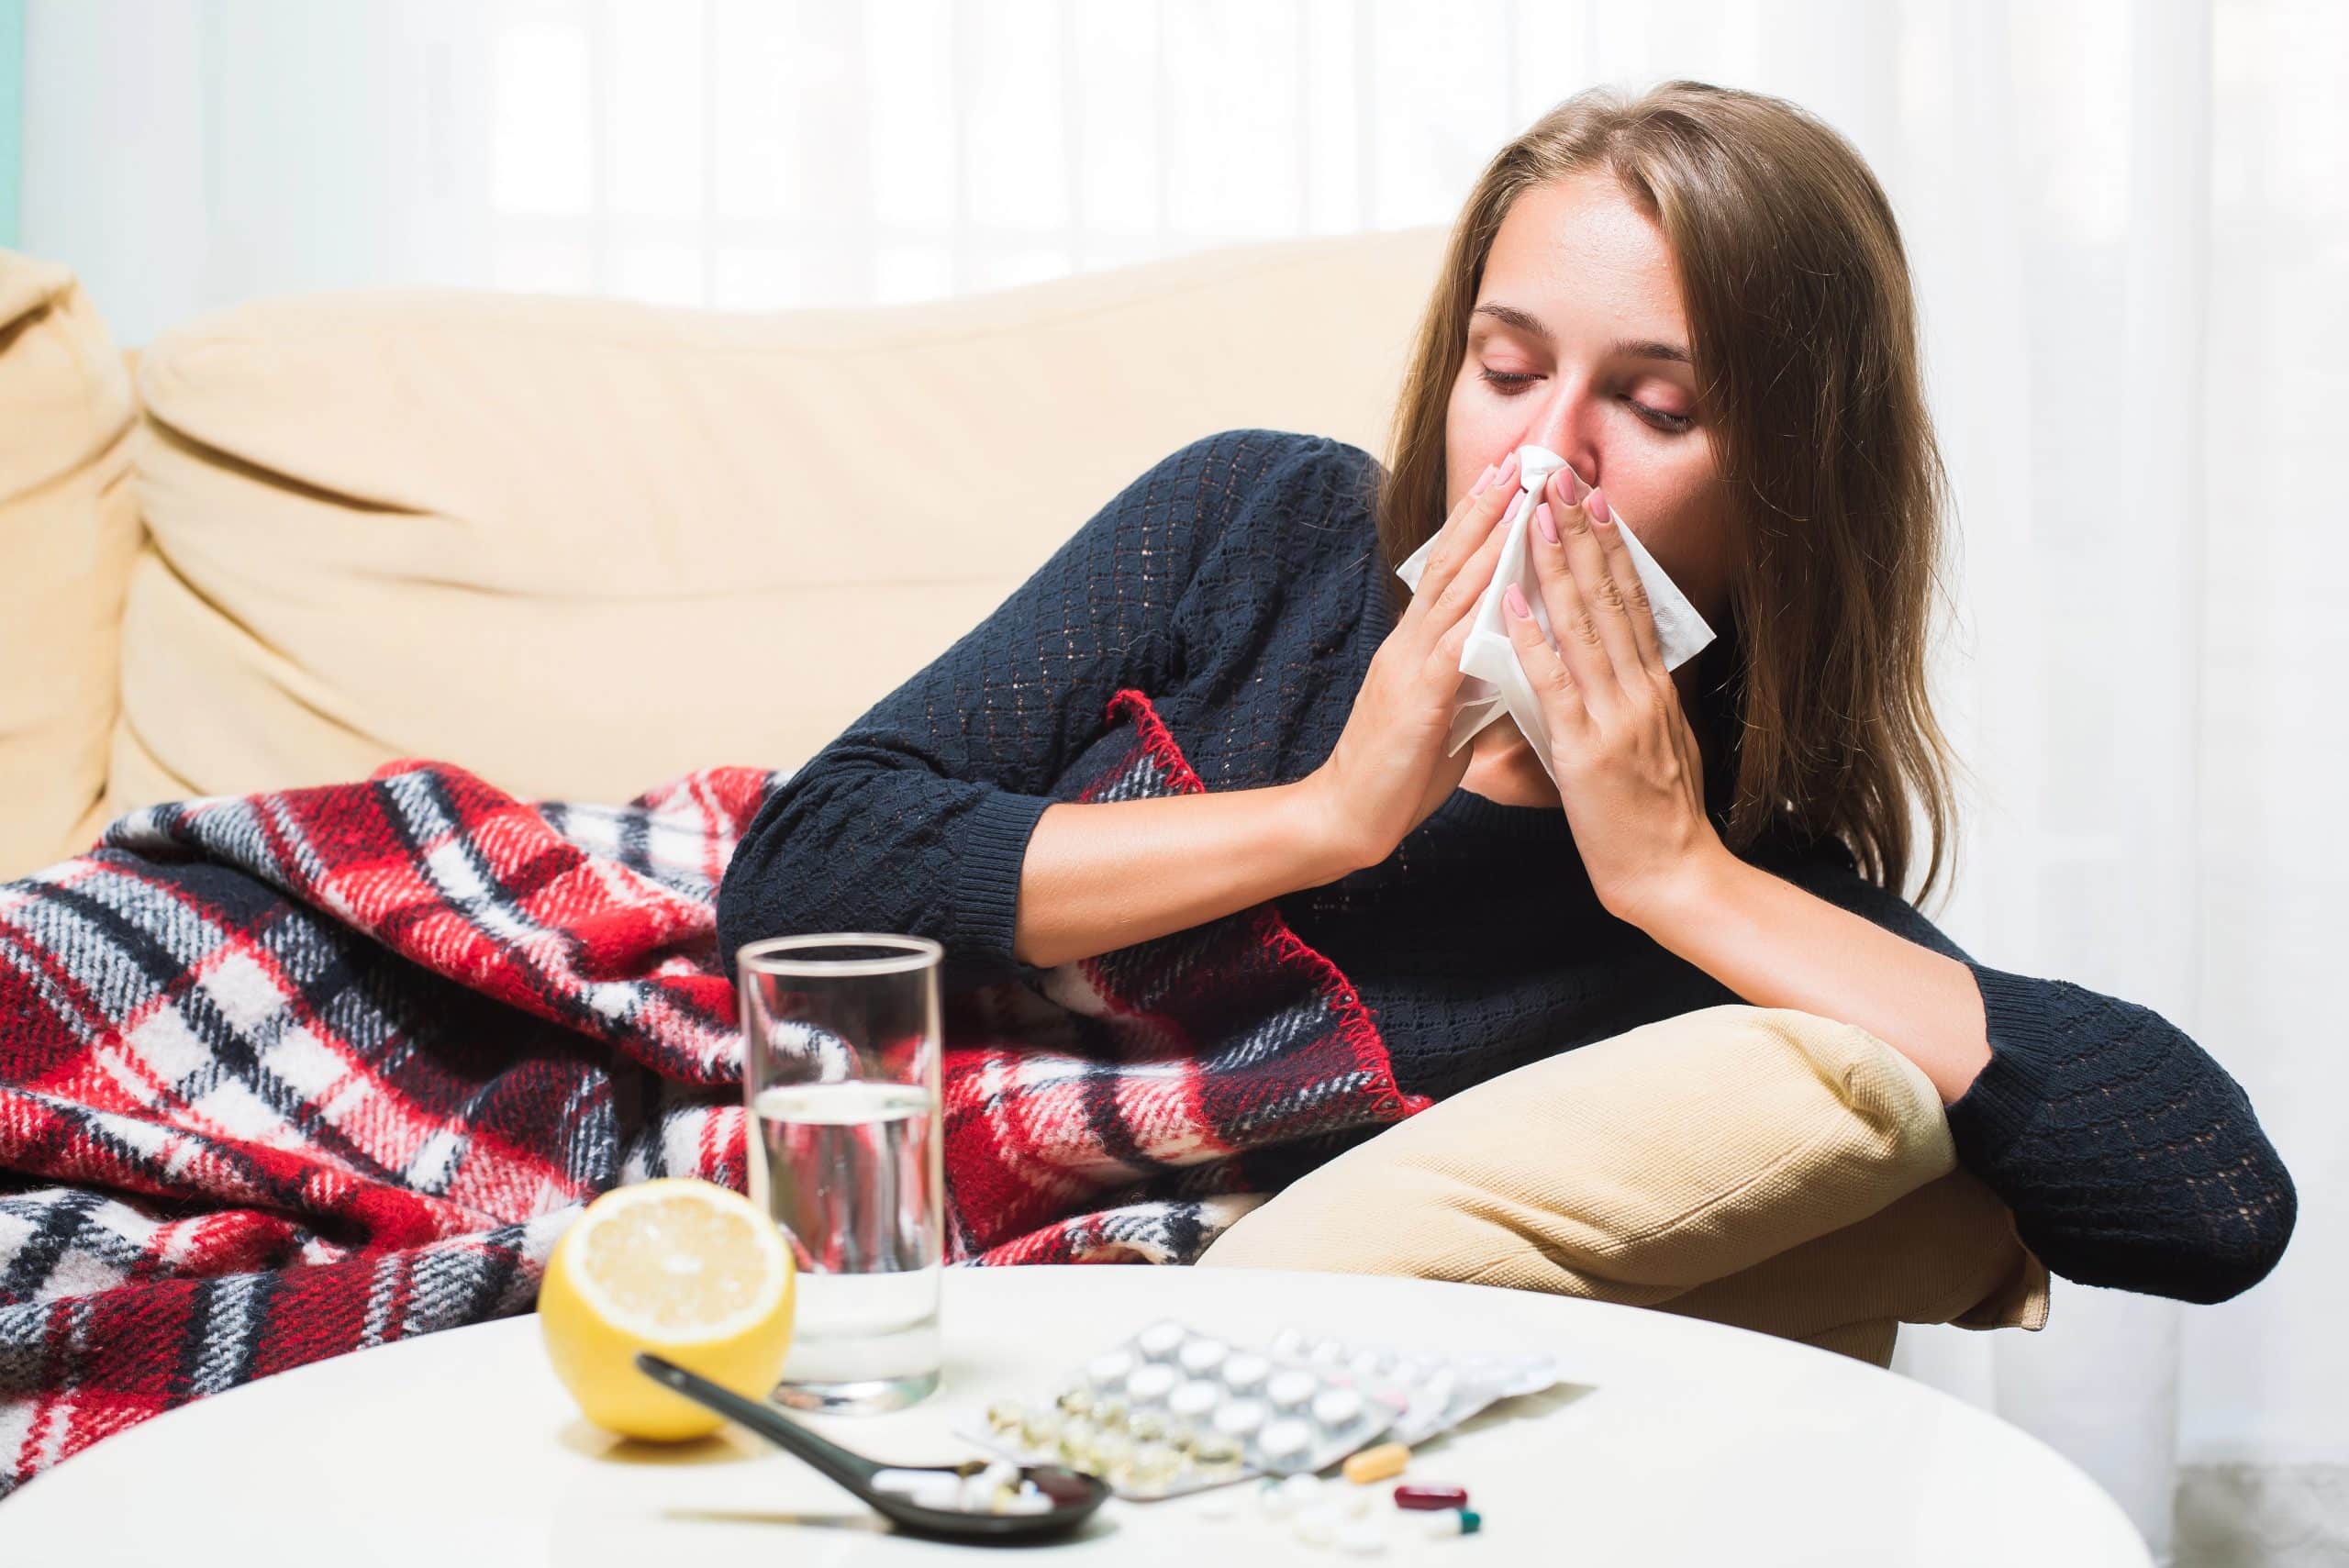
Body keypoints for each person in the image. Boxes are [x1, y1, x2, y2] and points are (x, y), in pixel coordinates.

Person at [716, 81, 2295, 1305]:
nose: (1546, 461)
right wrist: (1332, 817)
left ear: (1794, 497)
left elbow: (2215, 1204)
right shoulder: (1255, 524)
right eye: (1509, 367)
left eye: (1656, 405)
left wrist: (1680, 877)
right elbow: (798, 875)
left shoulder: (1736, 899)